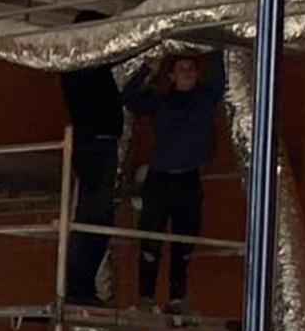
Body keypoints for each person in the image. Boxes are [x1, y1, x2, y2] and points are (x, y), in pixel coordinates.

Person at [123, 50, 225, 315]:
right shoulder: (162, 101)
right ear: (171, 76)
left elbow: (218, 77)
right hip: (160, 178)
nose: (188, 72)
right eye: (181, 68)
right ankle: (146, 297)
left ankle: (177, 299)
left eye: (191, 67)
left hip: (188, 178)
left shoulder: (204, 97)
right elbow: (130, 97)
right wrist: (149, 67)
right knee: (151, 239)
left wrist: (213, 48)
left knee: (184, 241)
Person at [58, 30, 124, 306]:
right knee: (94, 218)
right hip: (96, 145)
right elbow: (118, 53)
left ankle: (81, 285)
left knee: (96, 217)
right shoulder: (84, 64)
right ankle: (79, 287)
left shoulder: (79, 66)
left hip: (96, 144)